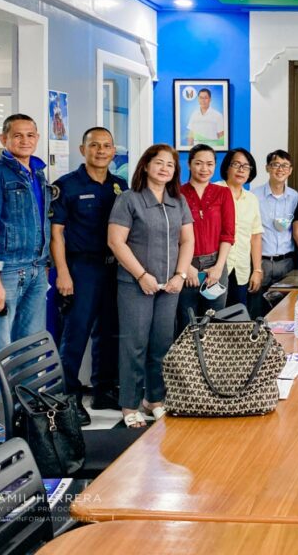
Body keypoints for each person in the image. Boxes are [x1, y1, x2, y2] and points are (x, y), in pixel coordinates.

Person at [0, 114, 52, 446]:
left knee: (26, 349)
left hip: (34, 270)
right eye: (17, 135)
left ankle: (24, 416)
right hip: (4, 272)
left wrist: (43, 266)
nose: (25, 140)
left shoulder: (39, 174)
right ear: (4, 139)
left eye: (31, 135)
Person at [108, 144, 194, 428]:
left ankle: (155, 399)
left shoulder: (177, 202)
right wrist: (141, 275)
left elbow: (187, 241)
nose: (164, 168)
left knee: (161, 345)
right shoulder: (129, 200)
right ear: (145, 165)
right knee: (134, 344)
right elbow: (116, 242)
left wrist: (180, 275)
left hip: (169, 286)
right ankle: (130, 404)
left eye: (170, 165)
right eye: (159, 163)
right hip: (136, 285)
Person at [49, 127, 127, 421]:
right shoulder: (66, 186)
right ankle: (67, 399)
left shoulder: (120, 186)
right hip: (81, 268)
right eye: (94, 145)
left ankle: (104, 389)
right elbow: (56, 235)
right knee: (75, 333)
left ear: (113, 152)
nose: (101, 151)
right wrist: (63, 274)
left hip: (113, 267)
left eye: (107, 145)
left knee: (109, 332)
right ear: (83, 150)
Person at [177, 143, 235, 334]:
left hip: (216, 264)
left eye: (209, 164)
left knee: (214, 323)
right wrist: (186, 267)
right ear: (189, 165)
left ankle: (211, 364)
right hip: (186, 264)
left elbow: (228, 233)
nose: (204, 169)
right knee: (187, 324)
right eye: (199, 163)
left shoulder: (223, 193)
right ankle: (188, 364)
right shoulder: (177, 194)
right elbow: (172, 234)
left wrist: (219, 267)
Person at [218, 148, 264, 314]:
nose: (241, 170)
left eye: (246, 166)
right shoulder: (214, 191)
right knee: (214, 319)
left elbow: (255, 236)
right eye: (236, 164)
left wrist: (257, 270)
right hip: (217, 267)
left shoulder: (251, 199)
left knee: (238, 318)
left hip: (241, 268)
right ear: (227, 167)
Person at [252, 150, 298, 298]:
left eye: (285, 165)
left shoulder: (295, 196)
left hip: (287, 262)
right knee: (257, 307)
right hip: (262, 262)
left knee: (285, 309)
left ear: (290, 170)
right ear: (267, 168)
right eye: (275, 165)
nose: (280, 169)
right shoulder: (254, 196)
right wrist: (256, 268)